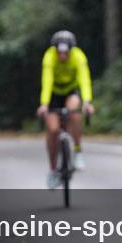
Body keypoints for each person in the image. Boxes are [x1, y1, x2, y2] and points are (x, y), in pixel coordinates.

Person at [37, 30, 94, 189]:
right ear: (55, 50)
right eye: (59, 52)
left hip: (70, 92)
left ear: (71, 50)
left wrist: (87, 102)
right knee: (53, 130)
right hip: (54, 94)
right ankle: (53, 169)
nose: (62, 56)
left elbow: (84, 79)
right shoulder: (49, 57)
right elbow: (46, 80)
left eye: (65, 52)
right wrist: (44, 104)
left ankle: (77, 150)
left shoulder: (78, 56)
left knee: (74, 110)